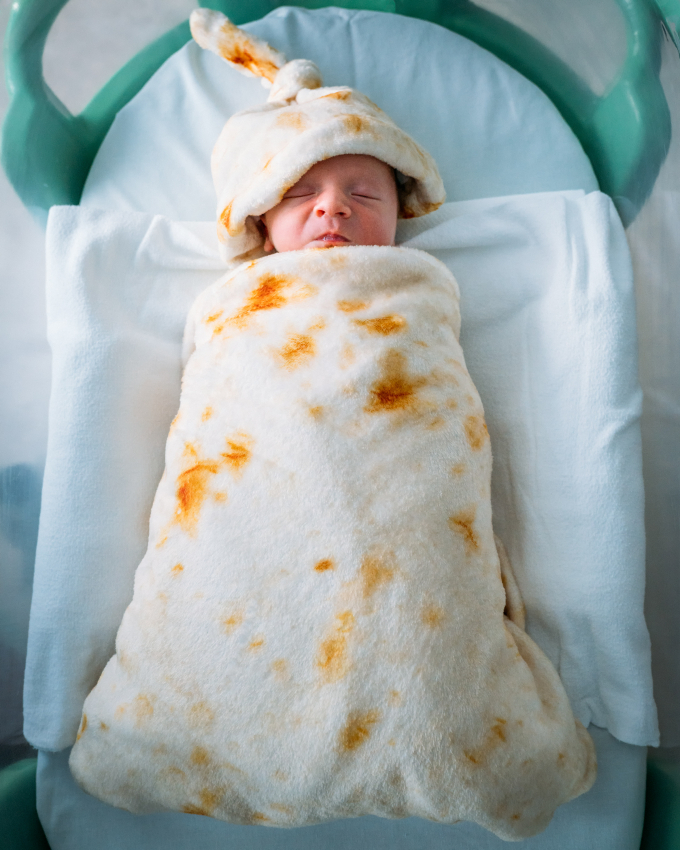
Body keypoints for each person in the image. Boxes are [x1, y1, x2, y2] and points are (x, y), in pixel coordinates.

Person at [68, 11, 596, 839]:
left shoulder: (416, 292)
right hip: (247, 503)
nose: (333, 213)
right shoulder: (234, 305)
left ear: (402, 210)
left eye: (363, 193)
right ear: (257, 222)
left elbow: (443, 424)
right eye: (302, 195)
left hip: (402, 494)